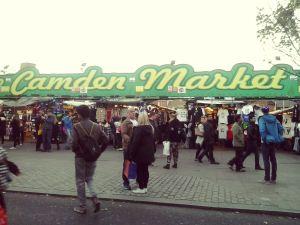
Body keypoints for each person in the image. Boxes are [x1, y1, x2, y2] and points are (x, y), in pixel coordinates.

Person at [72, 105, 108, 214]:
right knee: (89, 178)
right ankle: (95, 198)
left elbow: (73, 143)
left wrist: (76, 151)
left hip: (80, 158)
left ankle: (82, 206)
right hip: (92, 157)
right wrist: (99, 152)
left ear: (81, 114)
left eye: (77, 113)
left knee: (80, 181)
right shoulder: (97, 126)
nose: (77, 115)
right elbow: (106, 140)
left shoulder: (77, 126)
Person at [128, 112, 155, 194]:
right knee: (145, 170)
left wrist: (131, 154)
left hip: (140, 154)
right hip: (148, 154)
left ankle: (141, 187)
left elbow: (135, 143)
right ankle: (145, 187)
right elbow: (153, 142)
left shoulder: (138, 129)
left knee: (140, 170)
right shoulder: (150, 128)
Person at [258, 106, 284, 184]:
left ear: (262, 112)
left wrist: (265, 139)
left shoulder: (262, 119)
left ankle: (266, 179)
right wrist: (276, 136)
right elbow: (281, 128)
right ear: (268, 111)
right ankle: (273, 179)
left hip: (265, 142)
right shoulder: (274, 118)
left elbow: (262, 130)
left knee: (266, 161)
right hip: (274, 142)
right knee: (273, 160)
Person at [120, 109, 136, 190]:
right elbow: (123, 134)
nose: (134, 114)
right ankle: (125, 182)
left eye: (134, 112)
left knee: (135, 164)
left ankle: (137, 180)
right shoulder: (125, 123)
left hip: (135, 147)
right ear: (128, 114)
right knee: (127, 164)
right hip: (128, 147)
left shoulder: (136, 121)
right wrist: (131, 141)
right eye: (132, 112)